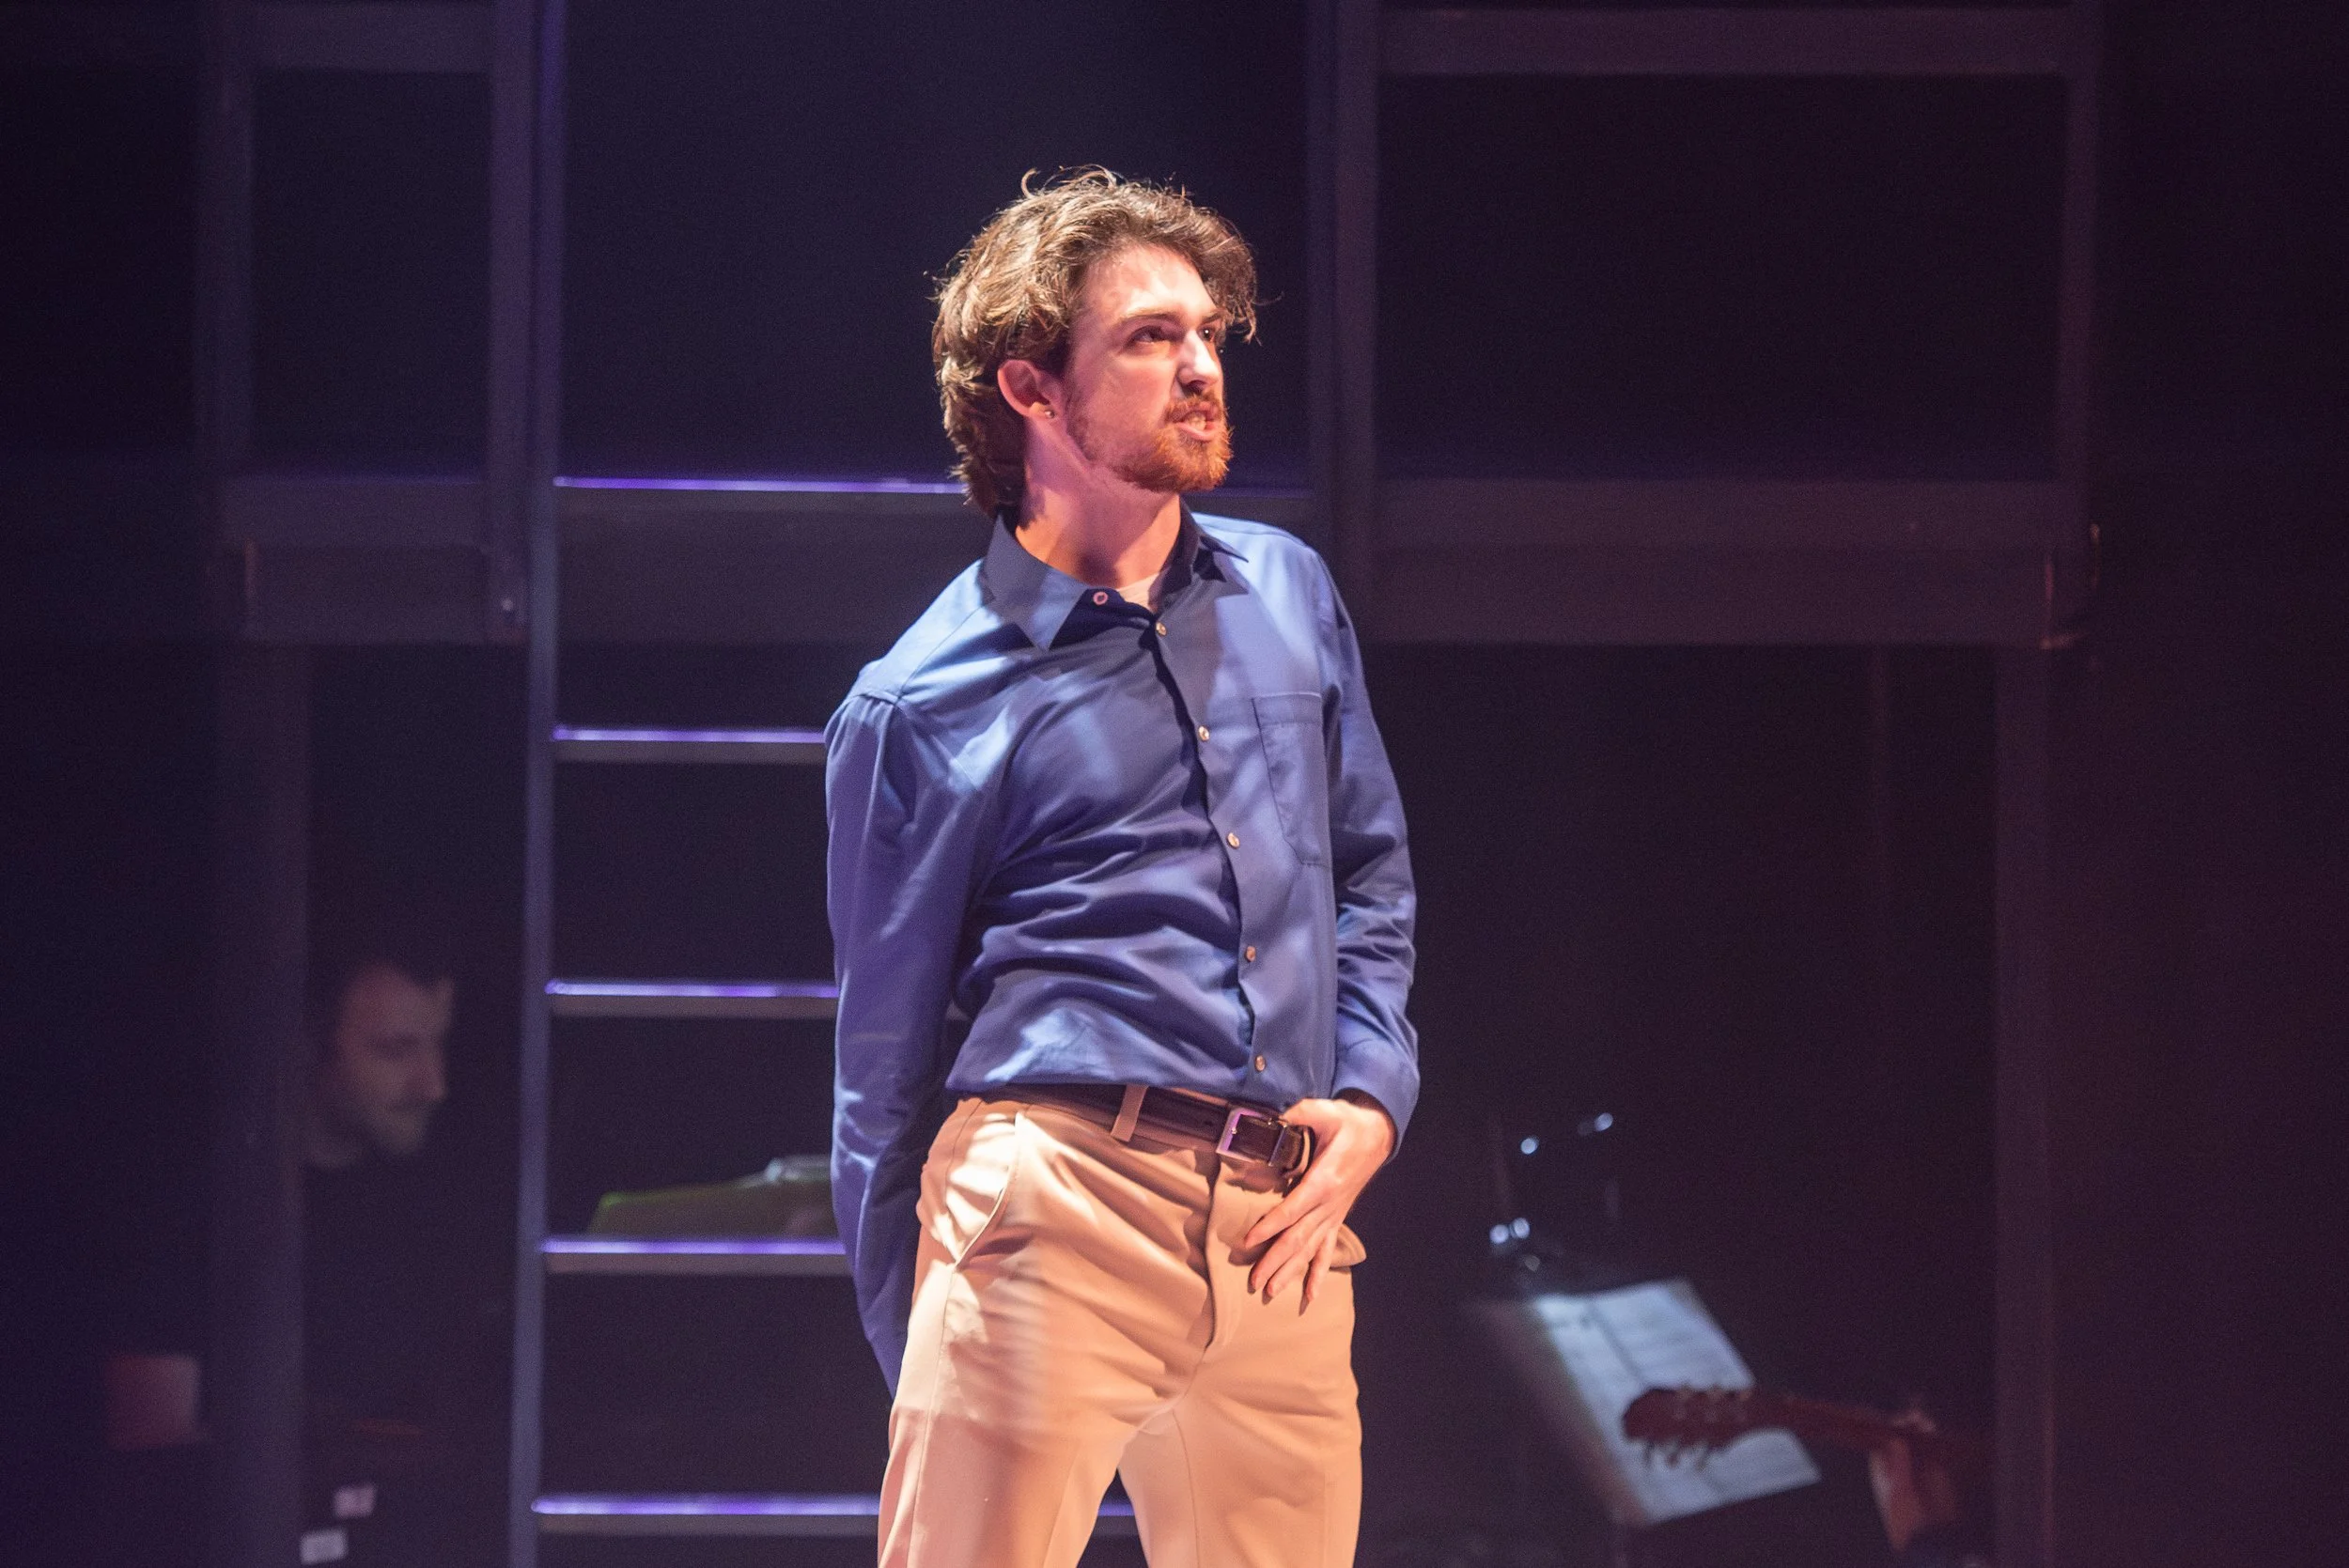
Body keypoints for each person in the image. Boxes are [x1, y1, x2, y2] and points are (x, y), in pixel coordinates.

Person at [825, 169, 1420, 1567]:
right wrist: (924, 1339)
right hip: (1057, 1195)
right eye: (1152, 338)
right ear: (1031, 389)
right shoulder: (924, 700)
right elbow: (883, 1063)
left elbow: (1372, 881)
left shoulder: (1288, 593)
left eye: (1210, 333)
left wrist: (1375, 1098)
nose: (1204, 366)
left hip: (1281, 1221)